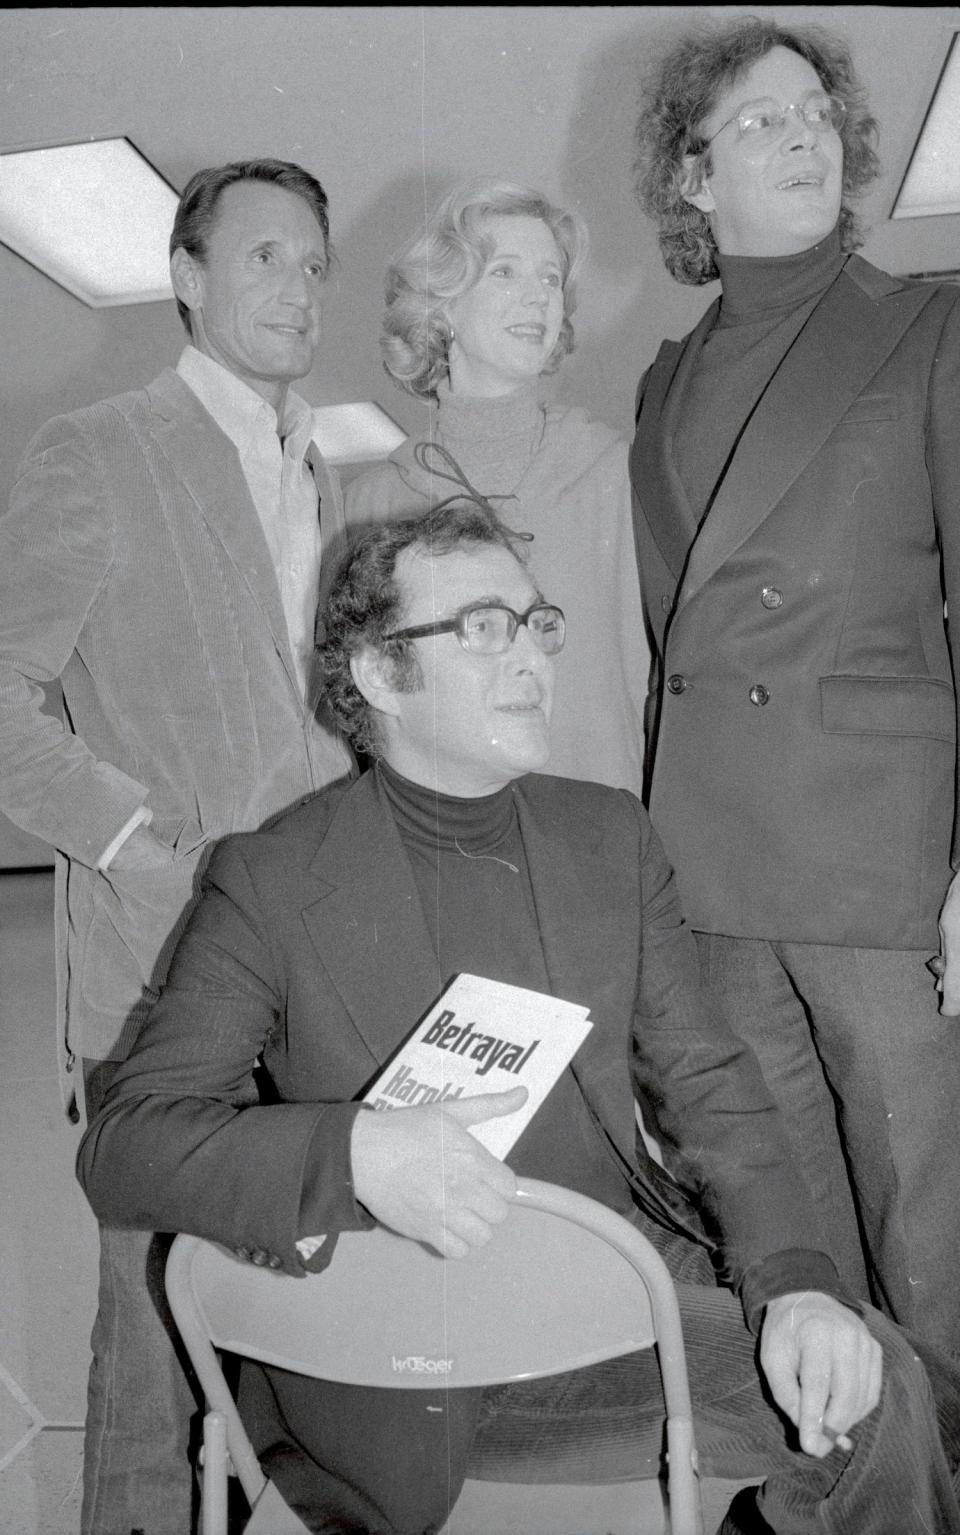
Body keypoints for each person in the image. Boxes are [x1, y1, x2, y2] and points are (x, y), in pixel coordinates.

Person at [78, 504, 960, 1534]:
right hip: (415, 1354)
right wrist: (353, 1149)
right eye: (481, 626)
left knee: (889, 1375)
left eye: (536, 622)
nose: (530, 656)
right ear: (377, 672)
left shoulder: (608, 838)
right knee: (874, 1397)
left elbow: (717, 1090)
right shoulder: (272, 879)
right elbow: (127, 1145)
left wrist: (800, 1283)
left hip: (611, 1285)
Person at [0, 158, 354, 1533]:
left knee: (292, 1327)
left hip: (315, 970)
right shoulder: (98, 447)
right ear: (187, 276)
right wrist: (140, 835)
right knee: (152, 1338)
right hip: (159, 970)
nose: (298, 285)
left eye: (315, 262)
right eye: (265, 255)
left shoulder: (320, 467)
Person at [630, 15, 960, 1356]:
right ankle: (854, 1486)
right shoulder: (661, 381)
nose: (805, 136)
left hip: (872, 865)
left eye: (818, 113)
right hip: (711, 877)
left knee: (928, 1232)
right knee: (797, 1236)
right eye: (761, 121)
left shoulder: (931, 323)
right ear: (694, 183)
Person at [344, 177, 648, 795]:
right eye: (505, 272)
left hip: (597, 835)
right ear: (442, 306)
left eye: (550, 279)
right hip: (441, 849)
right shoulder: (373, 506)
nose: (538, 298)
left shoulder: (617, 473)